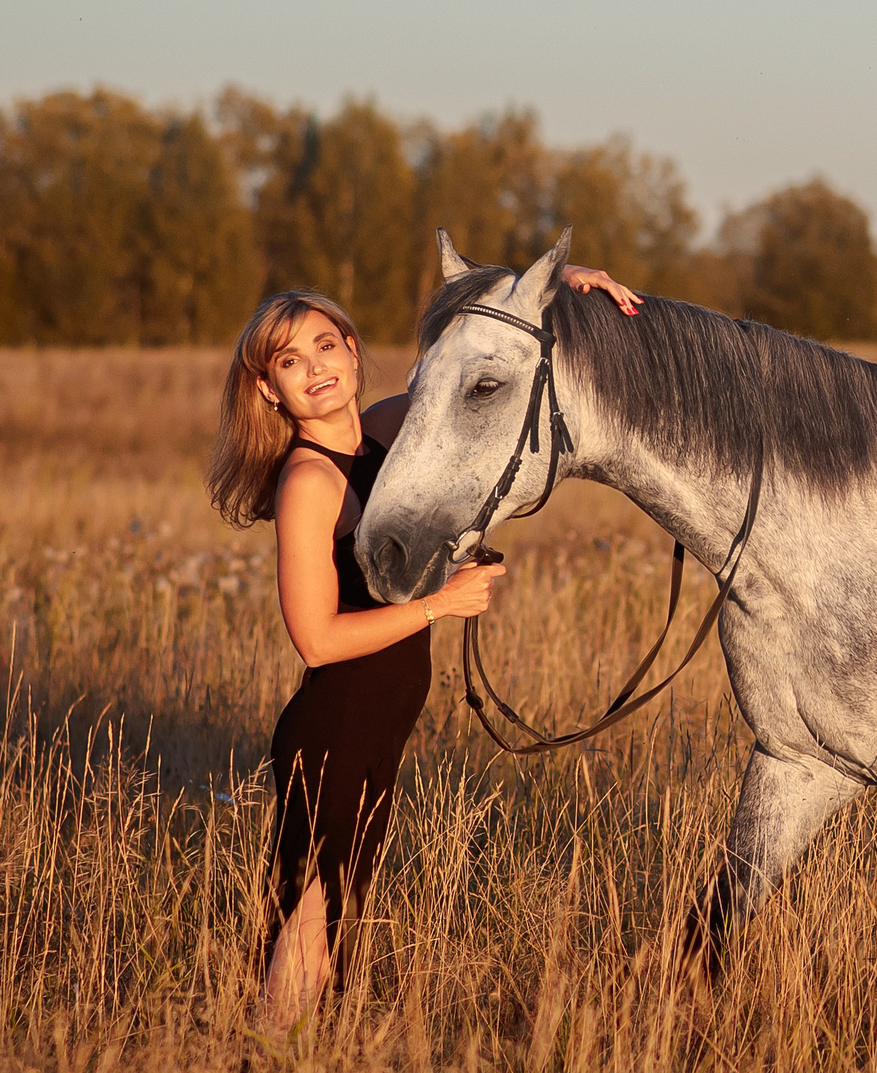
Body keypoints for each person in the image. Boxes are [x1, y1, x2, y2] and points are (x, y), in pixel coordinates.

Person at [206, 266, 641, 1029]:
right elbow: (315, 639)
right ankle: (263, 1063)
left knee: (334, 907)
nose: (315, 370)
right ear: (269, 389)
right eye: (289, 362)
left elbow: (483, 365)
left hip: (379, 722)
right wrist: (438, 604)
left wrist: (556, 287)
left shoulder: (383, 429)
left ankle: (287, 1064)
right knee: (315, 908)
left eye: (323, 346)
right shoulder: (310, 480)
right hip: (334, 725)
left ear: (350, 346)